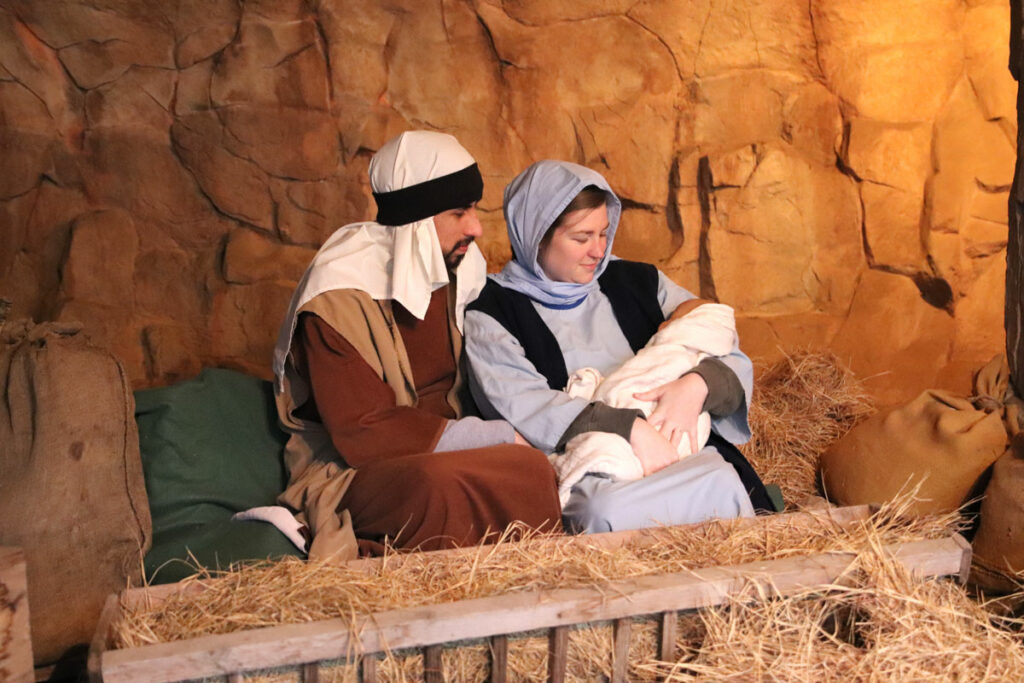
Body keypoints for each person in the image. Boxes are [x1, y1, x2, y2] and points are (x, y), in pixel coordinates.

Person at [271, 132, 562, 559]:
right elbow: (364, 431)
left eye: (475, 209)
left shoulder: (460, 267)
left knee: (532, 469)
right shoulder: (334, 298)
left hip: (453, 454)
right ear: (417, 220)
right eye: (460, 212)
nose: (476, 228)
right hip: (353, 470)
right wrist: (496, 435)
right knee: (436, 486)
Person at [464, 160, 773, 534]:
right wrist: (628, 428)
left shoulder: (638, 281)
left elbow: (713, 333)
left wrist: (694, 387)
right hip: (586, 467)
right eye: (581, 238)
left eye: (603, 233)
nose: (598, 251)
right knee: (600, 509)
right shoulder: (492, 312)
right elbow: (523, 404)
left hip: (674, 447)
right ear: (535, 236)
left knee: (724, 481)